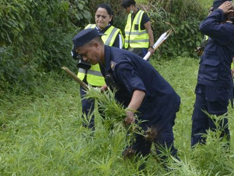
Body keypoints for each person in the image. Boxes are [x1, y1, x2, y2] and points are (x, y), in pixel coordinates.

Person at [73, 28, 181, 160]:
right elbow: (120, 78)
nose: (84, 59)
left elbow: (139, 90)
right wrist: (106, 87)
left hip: (160, 105)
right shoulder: (103, 58)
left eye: (84, 54)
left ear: (96, 45)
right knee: (134, 152)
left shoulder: (120, 62)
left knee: (165, 153)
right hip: (143, 106)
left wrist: (129, 111)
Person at [191, 0, 234, 146]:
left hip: (217, 84)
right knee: (198, 121)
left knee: (218, 125)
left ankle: (223, 157)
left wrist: (219, 11)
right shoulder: (219, 30)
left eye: (214, 11)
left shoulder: (228, 30)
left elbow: (204, 26)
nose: (211, 13)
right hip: (205, 82)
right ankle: (198, 153)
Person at [76, 4, 124, 130]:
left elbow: (117, 60)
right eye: (98, 16)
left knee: (106, 113)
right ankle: (88, 139)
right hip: (85, 81)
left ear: (110, 18)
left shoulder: (115, 34)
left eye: (104, 16)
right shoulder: (88, 28)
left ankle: (109, 138)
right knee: (87, 112)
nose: (100, 19)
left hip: (104, 83)